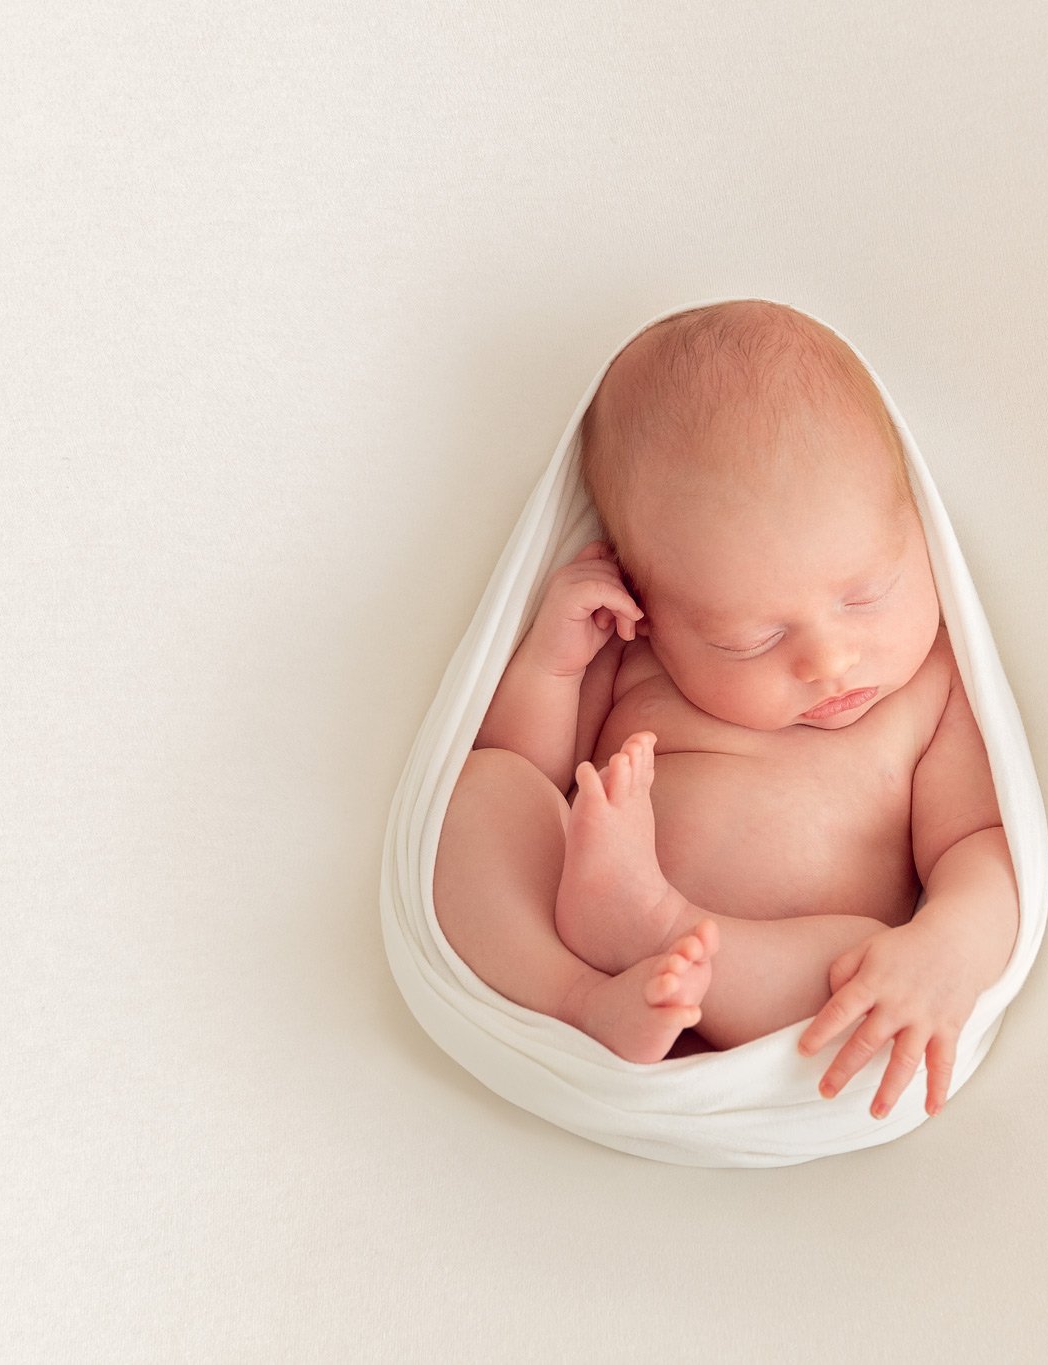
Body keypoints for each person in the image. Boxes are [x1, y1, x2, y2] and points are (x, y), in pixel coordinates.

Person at [433, 300, 1018, 1120]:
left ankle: (652, 922)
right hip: (586, 966)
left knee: (865, 967)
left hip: (779, 991)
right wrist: (550, 667)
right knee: (479, 793)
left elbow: (980, 846)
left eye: (866, 594)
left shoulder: (931, 683)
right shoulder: (639, 657)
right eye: (751, 637)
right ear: (653, 609)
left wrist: (946, 946)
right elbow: (530, 776)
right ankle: (578, 1002)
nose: (828, 660)